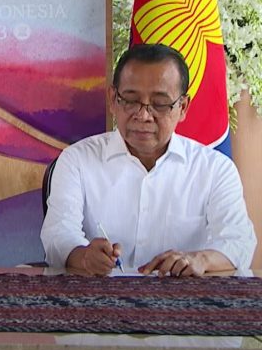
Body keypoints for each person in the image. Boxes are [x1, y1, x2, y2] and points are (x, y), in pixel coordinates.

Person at [41, 44, 256, 277]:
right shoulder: (77, 160)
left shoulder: (215, 169)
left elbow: (239, 242)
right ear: (113, 99)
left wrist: (200, 259)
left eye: (160, 104)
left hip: (183, 296)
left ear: (183, 107)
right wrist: (83, 257)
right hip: (98, 293)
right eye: (130, 100)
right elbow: (58, 234)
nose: (143, 116)